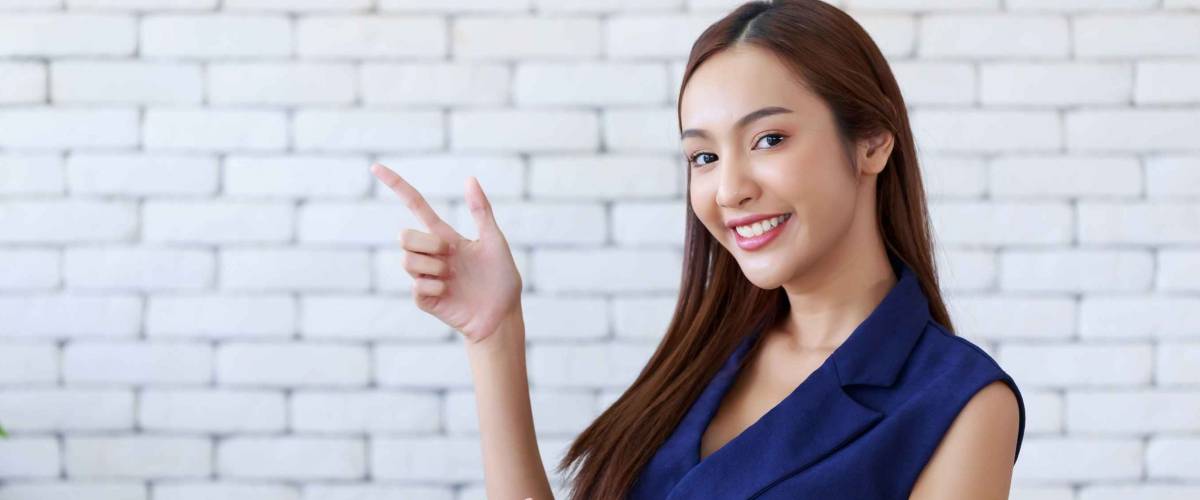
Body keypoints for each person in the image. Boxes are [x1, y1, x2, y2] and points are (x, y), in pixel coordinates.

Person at [369, 0, 1025, 498]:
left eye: (768, 140)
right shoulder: (704, 361)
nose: (730, 189)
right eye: (704, 156)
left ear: (872, 143)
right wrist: (494, 336)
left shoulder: (960, 403)